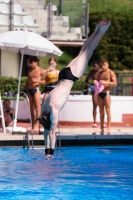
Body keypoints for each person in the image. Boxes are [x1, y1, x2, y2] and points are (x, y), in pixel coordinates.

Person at [37, 20, 111, 159]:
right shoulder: (45, 106)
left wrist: (50, 153)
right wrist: (45, 150)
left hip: (71, 77)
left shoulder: (53, 110)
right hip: (63, 75)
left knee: (88, 52)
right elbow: (46, 132)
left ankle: (102, 30)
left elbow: (51, 133)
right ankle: (97, 29)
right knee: (83, 51)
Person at [94, 59, 117, 135]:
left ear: (108, 65)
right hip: (100, 93)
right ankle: (101, 127)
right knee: (101, 111)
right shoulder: (99, 73)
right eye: (102, 65)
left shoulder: (110, 72)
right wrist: (95, 82)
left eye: (104, 65)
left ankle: (108, 127)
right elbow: (97, 82)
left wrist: (106, 82)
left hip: (107, 93)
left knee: (107, 110)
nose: (103, 66)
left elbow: (114, 83)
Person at [24, 56, 46, 130]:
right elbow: (28, 81)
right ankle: (32, 124)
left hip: (36, 90)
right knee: (31, 108)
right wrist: (24, 90)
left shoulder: (41, 70)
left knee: (37, 108)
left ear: (36, 62)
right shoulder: (29, 70)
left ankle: (37, 124)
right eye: (30, 63)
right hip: (29, 90)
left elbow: (46, 81)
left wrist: (37, 81)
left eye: (32, 63)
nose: (31, 64)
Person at [85, 60, 101, 127]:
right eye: (93, 66)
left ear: (99, 66)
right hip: (95, 90)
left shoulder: (101, 72)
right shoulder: (92, 72)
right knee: (95, 105)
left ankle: (102, 121)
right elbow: (86, 81)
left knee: (102, 106)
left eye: (95, 66)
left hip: (101, 89)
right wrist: (90, 86)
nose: (94, 68)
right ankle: (94, 122)